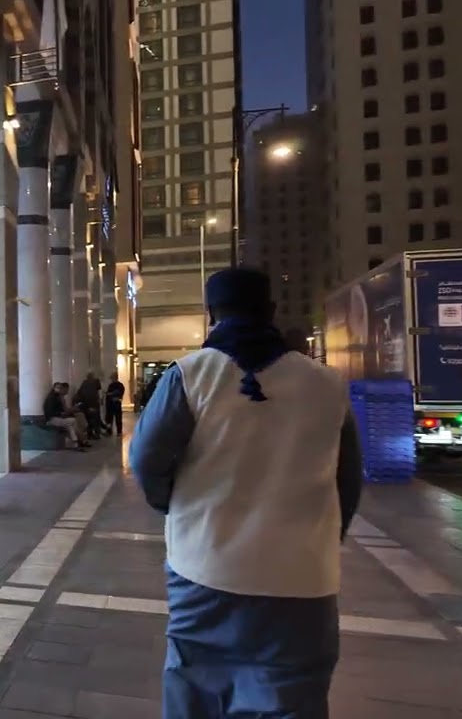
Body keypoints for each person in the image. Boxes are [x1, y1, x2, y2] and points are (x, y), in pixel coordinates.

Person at [129, 268, 363, 719]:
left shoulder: (190, 374)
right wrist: (323, 539)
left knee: (197, 688)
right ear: (271, 311)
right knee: (293, 694)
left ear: (210, 314)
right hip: (303, 576)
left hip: (205, 564)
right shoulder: (327, 383)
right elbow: (348, 478)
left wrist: (176, 506)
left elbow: (146, 459)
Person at [42, 382, 88, 450]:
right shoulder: (51, 398)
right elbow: (51, 412)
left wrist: (63, 413)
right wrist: (62, 414)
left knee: (72, 422)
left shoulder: (57, 397)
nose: (59, 389)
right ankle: (77, 442)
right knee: (70, 423)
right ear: (54, 388)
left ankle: (78, 442)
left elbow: (62, 409)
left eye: (60, 387)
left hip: (57, 417)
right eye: (57, 387)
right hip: (52, 419)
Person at [75, 372, 106, 437]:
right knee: (96, 418)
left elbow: (80, 393)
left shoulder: (84, 383)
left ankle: (90, 433)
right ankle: (97, 433)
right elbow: (99, 391)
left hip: (86, 403)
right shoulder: (96, 381)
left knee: (89, 418)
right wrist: (101, 399)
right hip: (94, 403)